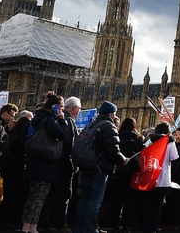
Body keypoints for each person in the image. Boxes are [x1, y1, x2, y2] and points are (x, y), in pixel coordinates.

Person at [73, 101, 130, 233]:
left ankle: (78, 227)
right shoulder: (109, 126)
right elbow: (113, 150)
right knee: (94, 201)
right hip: (99, 169)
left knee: (84, 199)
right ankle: (91, 229)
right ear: (111, 113)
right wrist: (122, 160)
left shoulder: (91, 124)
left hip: (87, 166)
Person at [20, 92, 69, 233]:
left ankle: (25, 227)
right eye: (61, 106)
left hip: (33, 162)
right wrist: (62, 120)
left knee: (32, 198)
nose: (62, 110)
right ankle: (33, 228)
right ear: (55, 107)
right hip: (45, 164)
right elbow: (63, 135)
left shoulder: (37, 119)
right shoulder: (50, 120)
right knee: (39, 199)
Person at [38, 95, 80, 233]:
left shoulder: (53, 118)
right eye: (79, 109)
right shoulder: (68, 121)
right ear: (74, 108)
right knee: (63, 195)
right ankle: (60, 224)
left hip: (50, 161)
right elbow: (68, 143)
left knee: (48, 194)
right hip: (64, 162)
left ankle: (44, 223)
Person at [141, 122, 180, 233]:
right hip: (163, 179)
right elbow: (174, 158)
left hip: (150, 178)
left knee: (148, 205)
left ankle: (146, 228)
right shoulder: (170, 142)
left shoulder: (149, 141)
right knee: (158, 206)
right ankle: (153, 229)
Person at [111, 117, 145, 233]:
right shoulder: (137, 139)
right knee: (129, 202)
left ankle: (115, 227)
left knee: (117, 200)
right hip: (132, 172)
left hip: (119, 171)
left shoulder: (117, 136)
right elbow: (143, 153)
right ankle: (125, 228)